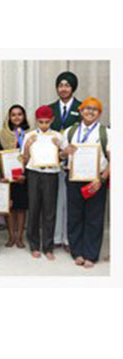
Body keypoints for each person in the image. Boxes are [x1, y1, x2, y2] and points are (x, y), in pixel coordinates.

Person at [61, 96, 110, 269]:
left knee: (94, 218)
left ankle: (91, 254)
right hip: (74, 179)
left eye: (94, 109)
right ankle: (77, 252)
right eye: (86, 108)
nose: (90, 111)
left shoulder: (106, 133)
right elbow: (60, 156)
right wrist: (65, 152)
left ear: (99, 113)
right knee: (75, 216)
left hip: (96, 180)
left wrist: (102, 179)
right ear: (80, 111)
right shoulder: (70, 132)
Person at [20, 106, 63, 260]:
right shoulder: (29, 135)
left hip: (51, 174)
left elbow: (64, 157)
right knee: (34, 209)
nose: (44, 125)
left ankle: (48, 247)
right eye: (41, 122)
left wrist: (60, 148)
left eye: (47, 122)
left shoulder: (58, 136)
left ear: (52, 120)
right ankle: (34, 245)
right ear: (36, 121)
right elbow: (23, 159)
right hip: (33, 173)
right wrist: (26, 146)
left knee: (49, 211)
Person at [49, 71, 82, 253]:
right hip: (52, 161)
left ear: (73, 87)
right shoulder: (49, 108)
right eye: (60, 85)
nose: (63, 88)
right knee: (55, 200)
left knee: (71, 202)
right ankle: (55, 237)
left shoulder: (82, 107)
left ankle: (69, 238)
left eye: (67, 85)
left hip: (75, 162)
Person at [0, 105, 30, 248]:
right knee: (9, 207)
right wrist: (3, 174)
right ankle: (11, 236)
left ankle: (20, 237)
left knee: (21, 208)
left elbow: (34, 156)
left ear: (24, 116)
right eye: (13, 115)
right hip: (8, 176)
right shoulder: (3, 134)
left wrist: (26, 175)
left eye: (19, 114)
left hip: (24, 176)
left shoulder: (30, 134)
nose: (17, 117)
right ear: (9, 117)